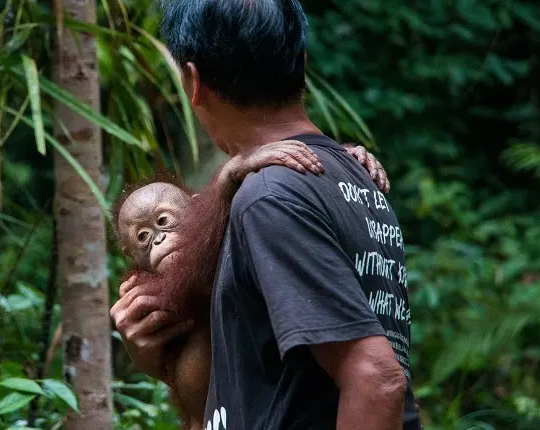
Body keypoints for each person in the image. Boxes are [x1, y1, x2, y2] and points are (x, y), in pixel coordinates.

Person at [112, 0, 421, 429]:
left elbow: (376, 379)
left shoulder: (269, 196)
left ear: (194, 82)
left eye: (163, 224)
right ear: (302, 64)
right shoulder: (352, 175)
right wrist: (160, 357)